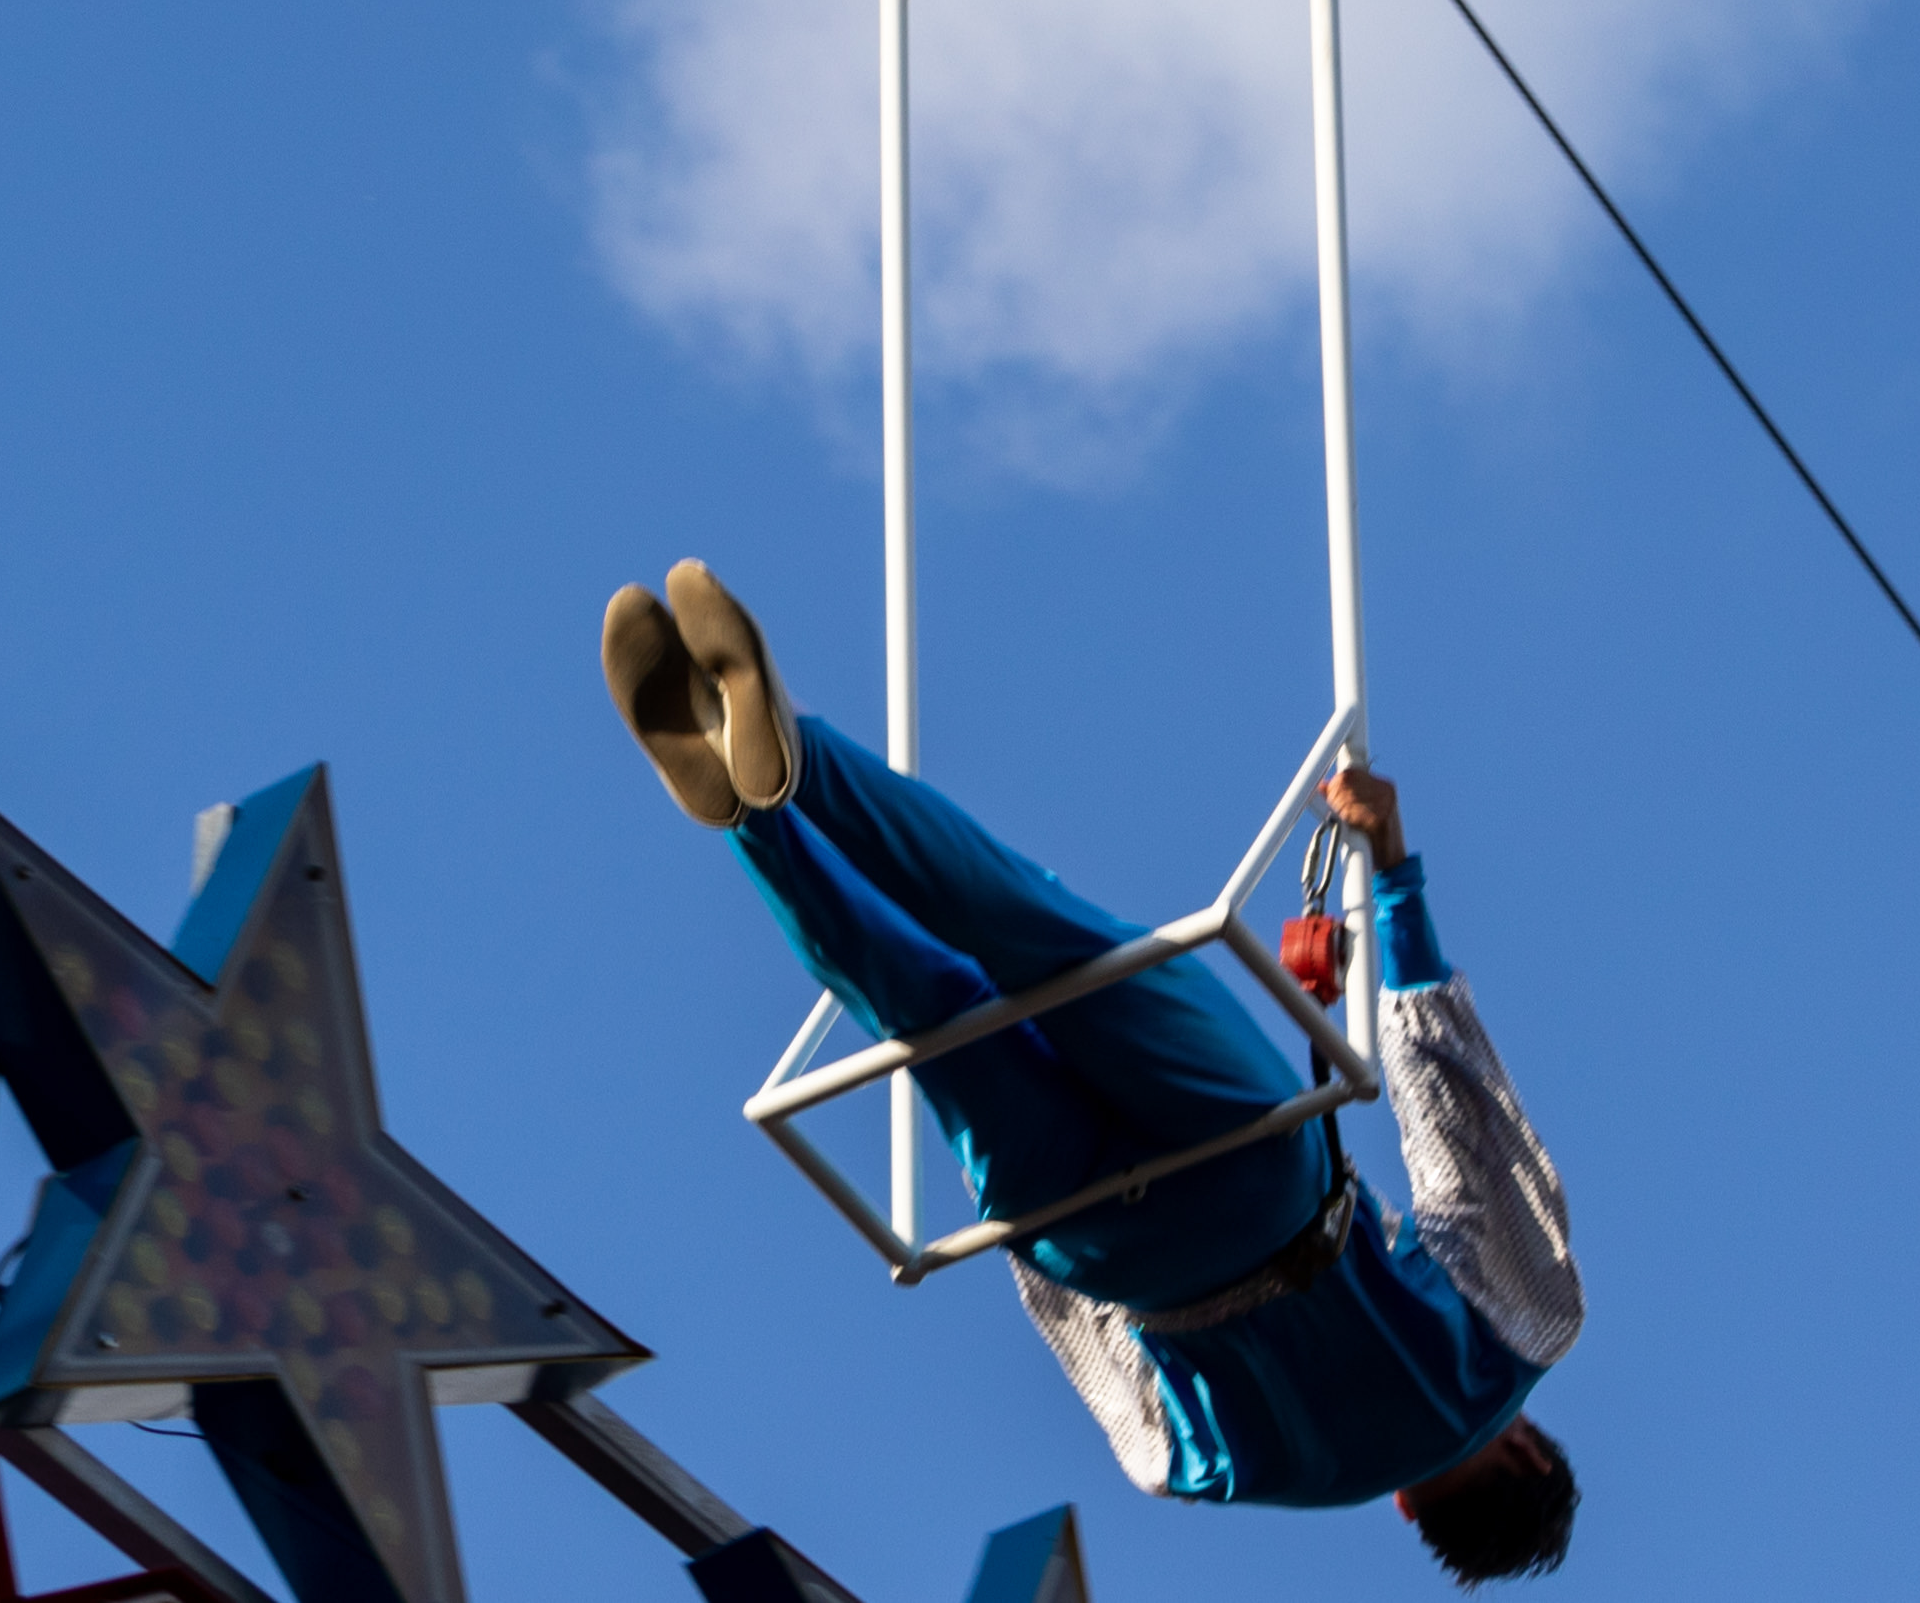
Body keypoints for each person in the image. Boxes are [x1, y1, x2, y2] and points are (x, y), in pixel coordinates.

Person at [602, 562, 1583, 1581]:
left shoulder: (1516, 1348)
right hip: (1105, 1248)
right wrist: (1038, 1232)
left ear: (1525, 1449)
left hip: (1257, 1173)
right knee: (927, 1010)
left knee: (1038, 935)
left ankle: (800, 763)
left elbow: (1457, 1121)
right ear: (1408, 1508)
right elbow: (1124, 1398)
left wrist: (1392, 873)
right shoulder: (1249, 1478)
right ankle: (751, 818)